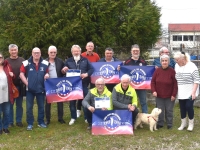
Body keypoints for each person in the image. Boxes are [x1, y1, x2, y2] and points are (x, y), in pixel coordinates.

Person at [62, 45, 94, 125]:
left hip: (83, 84)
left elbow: (91, 69)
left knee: (85, 101)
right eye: (74, 51)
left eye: (77, 51)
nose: (76, 52)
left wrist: (86, 74)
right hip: (71, 86)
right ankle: (73, 118)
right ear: (72, 52)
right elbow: (63, 71)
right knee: (72, 102)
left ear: (80, 51)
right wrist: (64, 70)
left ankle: (87, 117)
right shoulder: (68, 61)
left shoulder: (85, 60)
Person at [19, 47, 49, 130]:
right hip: (30, 90)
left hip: (41, 89)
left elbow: (47, 73)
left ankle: (41, 122)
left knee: (41, 107)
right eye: (35, 52)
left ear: (40, 54)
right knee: (29, 107)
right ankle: (30, 123)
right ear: (32, 54)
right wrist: (27, 84)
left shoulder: (45, 63)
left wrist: (47, 75)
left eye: (38, 52)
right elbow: (21, 74)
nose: (36, 54)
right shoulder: (26, 63)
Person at [174, 51, 200, 131]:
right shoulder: (176, 66)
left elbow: (197, 80)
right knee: (182, 108)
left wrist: (193, 92)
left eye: (177, 59)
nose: (176, 61)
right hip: (182, 91)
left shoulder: (192, 66)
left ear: (183, 59)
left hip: (191, 91)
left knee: (189, 106)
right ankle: (183, 123)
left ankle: (191, 124)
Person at [151, 54, 178, 129]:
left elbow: (175, 84)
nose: (164, 62)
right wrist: (154, 91)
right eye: (163, 61)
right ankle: (160, 123)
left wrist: (174, 94)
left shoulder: (172, 71)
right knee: (160, 110)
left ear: (168, 62)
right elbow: (152, 82)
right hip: (159, 95)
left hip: (169, 95)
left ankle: (169, 124)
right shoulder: (157, 71)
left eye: (166, 61)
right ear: (161, 62)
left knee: (169, 110)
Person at [124, 44, 148, 113]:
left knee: (143, 102)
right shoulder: (127, 62)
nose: (135, 52)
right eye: (134, 51)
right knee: (130, 102)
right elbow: (124, 73)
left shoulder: (143, 62)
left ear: (139, 51)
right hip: (131, 86)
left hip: (141, 86)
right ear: (131, 51)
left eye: (137, 51)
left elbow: (147, 72)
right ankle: (131, 117)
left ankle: (145, 117)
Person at [45, 46, 65, 125]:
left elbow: (63, 71)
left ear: (56, 53)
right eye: (51, 52)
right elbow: (41, 72)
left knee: (60, 101)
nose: (53, 54)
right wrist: (45, 74)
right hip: (49, 84)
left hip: (59, 84)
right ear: (48, 53)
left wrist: (64, 70)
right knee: (48, 102)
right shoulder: (44, 62)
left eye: (54, 52)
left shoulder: (60, 61)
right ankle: (47, 119)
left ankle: (60, 118)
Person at [6, 44, 25, 127]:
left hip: (20, 86)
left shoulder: (22, 60)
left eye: (15, 50)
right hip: (10, 86)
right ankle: (10, 122)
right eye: (12, 50)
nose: (13, 51)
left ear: (17, 50)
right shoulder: (5, 61)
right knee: (10, 105)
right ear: (9, 51)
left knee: (19, 105)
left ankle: (18, 121)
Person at [80, 41, 100, 117]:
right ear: (86, 47)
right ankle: (79, 108)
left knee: (93, 92)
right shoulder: (82, 55)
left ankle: (93, 107)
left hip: (94, 77)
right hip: (84, 76)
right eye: (89, 46)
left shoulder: (96, 55)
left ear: (93, 48)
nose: (90, 47)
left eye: (91, 46)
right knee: (82, 93)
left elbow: (98, 65)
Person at [0, 52, 15, 134]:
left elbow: (13, 76)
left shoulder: (7, 66)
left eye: (1, 57)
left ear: (3, 58)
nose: (0, 59)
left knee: (6, 111)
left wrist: (12, 75)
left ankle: (5, 127)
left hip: (7, 93)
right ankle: (0, 128)